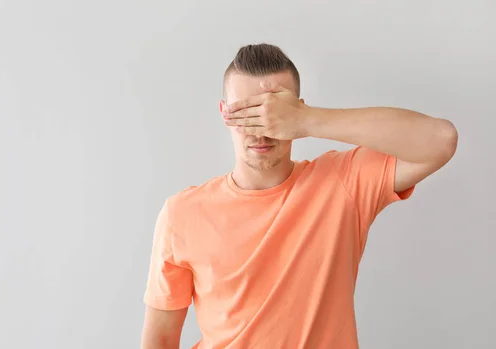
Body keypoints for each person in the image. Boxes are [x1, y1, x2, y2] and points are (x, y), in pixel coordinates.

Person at [140, 43, 458, 349]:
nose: (260, 129)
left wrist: (307, 120)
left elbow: (440, 140)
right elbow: (159, 341)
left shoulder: (342, 183)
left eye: (273, 112)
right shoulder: (182, 213)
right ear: (224, 113)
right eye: (245, 113)